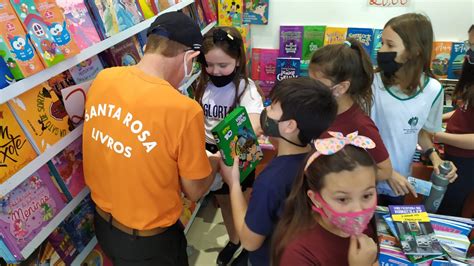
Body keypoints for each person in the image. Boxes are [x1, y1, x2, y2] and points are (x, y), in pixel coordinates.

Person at [82, 12, 218, 266]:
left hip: (103, 226)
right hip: (150, 244)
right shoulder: (184, 110)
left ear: (148, 46)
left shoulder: (104, 79)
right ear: (190, 57)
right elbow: (194, 190)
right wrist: (217, 162)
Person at [219, 77, 338, 266]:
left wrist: (233, 184)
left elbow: (250, 242)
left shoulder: (271, 181)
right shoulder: (317, 157)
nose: (266, 110)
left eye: (272, 106)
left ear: (289, 125)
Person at [308, 38, 416, 197]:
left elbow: (385, 171)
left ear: (341, 88)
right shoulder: (319, 111)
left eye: (317, 84)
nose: (310, 88)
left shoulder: (361, 125)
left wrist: (343, 180)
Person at [193, 26, 264, 265]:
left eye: (223, 65)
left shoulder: (246, 88)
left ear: (238, 60)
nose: (215, 71)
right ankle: (234, 240)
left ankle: (246, 243)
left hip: (239, 151)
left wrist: (233, 144)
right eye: (209, 65)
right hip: (210, 152)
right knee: (223, 200)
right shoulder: (203, 84)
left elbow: (255, 124)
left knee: (240, 200)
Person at [370, 13, 457, 205]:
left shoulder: (433, 90)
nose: (382, 50)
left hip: (400, 183)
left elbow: (421, 132)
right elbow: (359, 137)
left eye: (390, 45)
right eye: (382, 43)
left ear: (415, 51)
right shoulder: (371, 84)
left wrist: (434, 157)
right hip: (367, 179)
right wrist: (387, 172)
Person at [272, 132, 379, 265]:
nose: (358, 210)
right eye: (342, 199)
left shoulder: (365, 226)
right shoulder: (296, 253)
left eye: (367, 196)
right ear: (316, 199)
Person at [435, 25, 474, 216]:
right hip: (453, 155)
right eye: (470, 44)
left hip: (467, 163)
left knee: (448, 211)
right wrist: (438, 118)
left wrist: (438, 135)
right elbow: (464, 110)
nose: (470, 51)